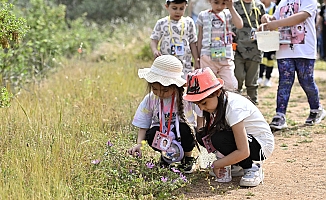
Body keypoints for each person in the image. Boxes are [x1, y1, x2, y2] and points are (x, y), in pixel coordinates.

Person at [183, 67, 274, 187]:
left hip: (261, 146)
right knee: (203, 135)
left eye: (204, 103)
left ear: (217, 92)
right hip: (244, 141)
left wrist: (217, 164)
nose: (201, 108)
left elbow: (243, 151)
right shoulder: (216, 104)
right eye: (197, 104)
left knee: (219, 138)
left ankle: (252, 167)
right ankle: (236, 164)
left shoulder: (233, 107)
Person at [128, 55, 203, 173]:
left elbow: (201, 110)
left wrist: (200, 128)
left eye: (165, 90)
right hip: (162, 134)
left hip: (182, 133)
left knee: (186, 130)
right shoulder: (150, 99)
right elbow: (144, 123)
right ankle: (166, 157)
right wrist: (139, 144)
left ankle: (187, 158)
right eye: (155, 89)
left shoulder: (186, 97)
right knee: (152, 133)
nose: (160, 93)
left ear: (175, 86)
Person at [261, 0, 326, 130]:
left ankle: (316, 109)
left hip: (304, 50)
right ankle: (280, 115)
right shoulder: (283, 2)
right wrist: (267, 18)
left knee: (306, 80)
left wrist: (276, 22)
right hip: (284, 48)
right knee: (284, 82)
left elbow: (302, 16)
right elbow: (276, 18)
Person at [196, 0, 243, 91]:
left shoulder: (228, 14)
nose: (219, 6)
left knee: (231, 85)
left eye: (223, 3)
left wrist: (231, 7)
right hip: (207, 56)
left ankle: (227, 102)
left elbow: (240, 25)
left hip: (225, 57)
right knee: (207, 85)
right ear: (210, 1)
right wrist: (198, 57)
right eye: (216, 2)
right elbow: (200, 36)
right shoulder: (203, 15)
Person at [150, 0, 200, 79]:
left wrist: (196, 60)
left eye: (181, 8)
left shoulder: (189, 22)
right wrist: (155, 50)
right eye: (174, 8)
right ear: (167, 6)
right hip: (167, 65)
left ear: (185, 7)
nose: (177, 11)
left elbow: (193, 43)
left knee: (184, 87)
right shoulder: (161, 23)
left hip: (185, 65)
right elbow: (154, 39)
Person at [232, 0, 265, 104]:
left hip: (255, 49)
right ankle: (236, 105)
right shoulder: (234, 5)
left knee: (252, 81)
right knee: (238, 79)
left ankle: (253, 104)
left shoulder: (259, 6)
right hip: (237, 49)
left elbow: (265, 25)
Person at [258, 0, 277, 87]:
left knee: (270, 58)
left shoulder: (275, 7)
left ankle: (268, 78)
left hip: (272, 37)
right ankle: (260, 76)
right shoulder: (258, 6)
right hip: (262, 36)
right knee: (262, 58)